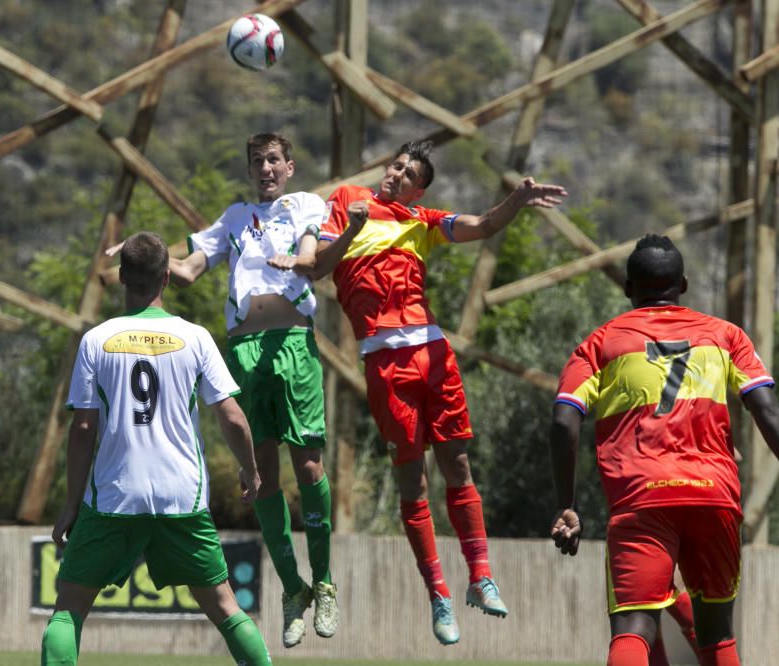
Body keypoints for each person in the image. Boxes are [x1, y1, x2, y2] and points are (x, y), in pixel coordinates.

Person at [311, 139, 567, 645]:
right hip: (385, 364)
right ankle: (439, 595)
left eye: (408, 172)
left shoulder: (422, 221)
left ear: (419, 188)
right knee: (413, 483)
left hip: (433, 354)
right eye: (396, 164)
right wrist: (355, 229)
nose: (397, 173)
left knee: (458, 467)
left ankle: (480, 577)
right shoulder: (346, 200)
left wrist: (514, 202)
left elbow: (482, 225)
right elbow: (318, 264)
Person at [109, 133, 336, 649]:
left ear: (290, 166)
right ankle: (291, 590)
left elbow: (309, 250)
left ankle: (323, 580)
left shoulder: (305, 204)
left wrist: (296, 262)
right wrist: (139, 254)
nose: (265, 169)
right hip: (245, 351)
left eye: (273, 160)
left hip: (294, 344)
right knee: (261, 476)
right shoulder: (233, 219)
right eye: (257, 162)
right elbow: (187, 269)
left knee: (310, 468)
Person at [41, 232, 272, 666]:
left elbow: (83, 427)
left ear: (123, 277)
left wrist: (72, 503)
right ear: (167, 277)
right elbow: (233, 417)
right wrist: (251, 470)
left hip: (113, 497)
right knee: (225, 607)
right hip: (180, 498)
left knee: (69, 609)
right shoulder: (196, 338)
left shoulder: (97, 339)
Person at [549, 234, 779, 666]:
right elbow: (769, 413)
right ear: (684, 285)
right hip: (713, 495)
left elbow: (564, 422)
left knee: (634, 628)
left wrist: (567, 505)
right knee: (717, 635)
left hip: (642, 496)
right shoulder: (726, 336)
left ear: (628, 289)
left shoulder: (601, 343)